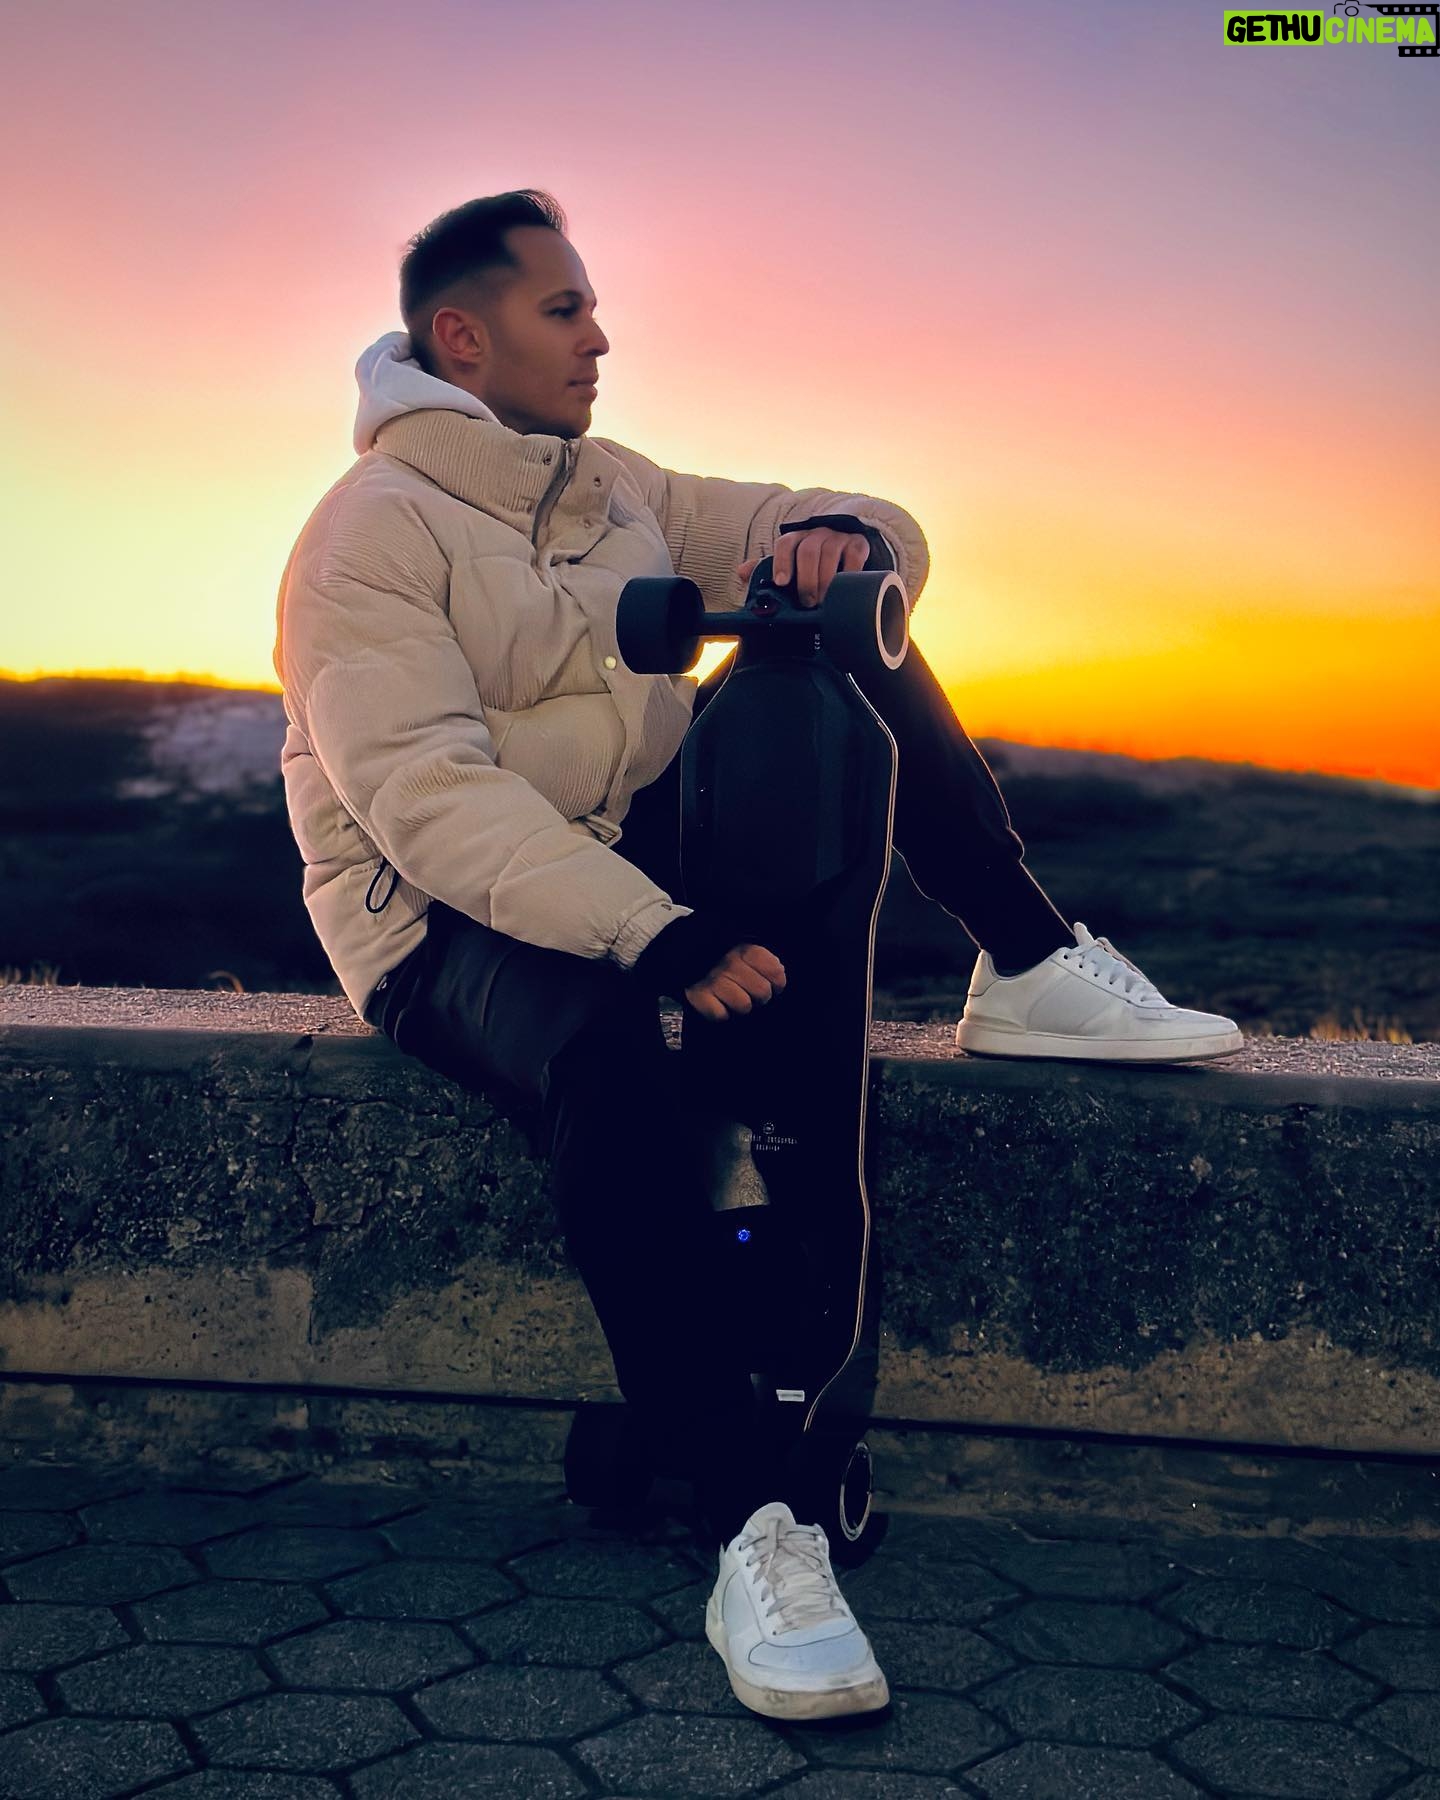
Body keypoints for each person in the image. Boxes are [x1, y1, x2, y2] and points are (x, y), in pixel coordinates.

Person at [272, 189, 1242, 1721]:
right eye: (564, 309)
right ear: (462, 336)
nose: (601, 336)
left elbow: (834, 516)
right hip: (436, 915)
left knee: (848, 631)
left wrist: (852, 541)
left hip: (616, 853)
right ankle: (749, 1528)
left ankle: (1026, 957)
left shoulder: (617, 488)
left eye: (593, 306)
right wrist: (657, 936)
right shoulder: (367, 534)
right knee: (608, 1054)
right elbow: (425, 800)